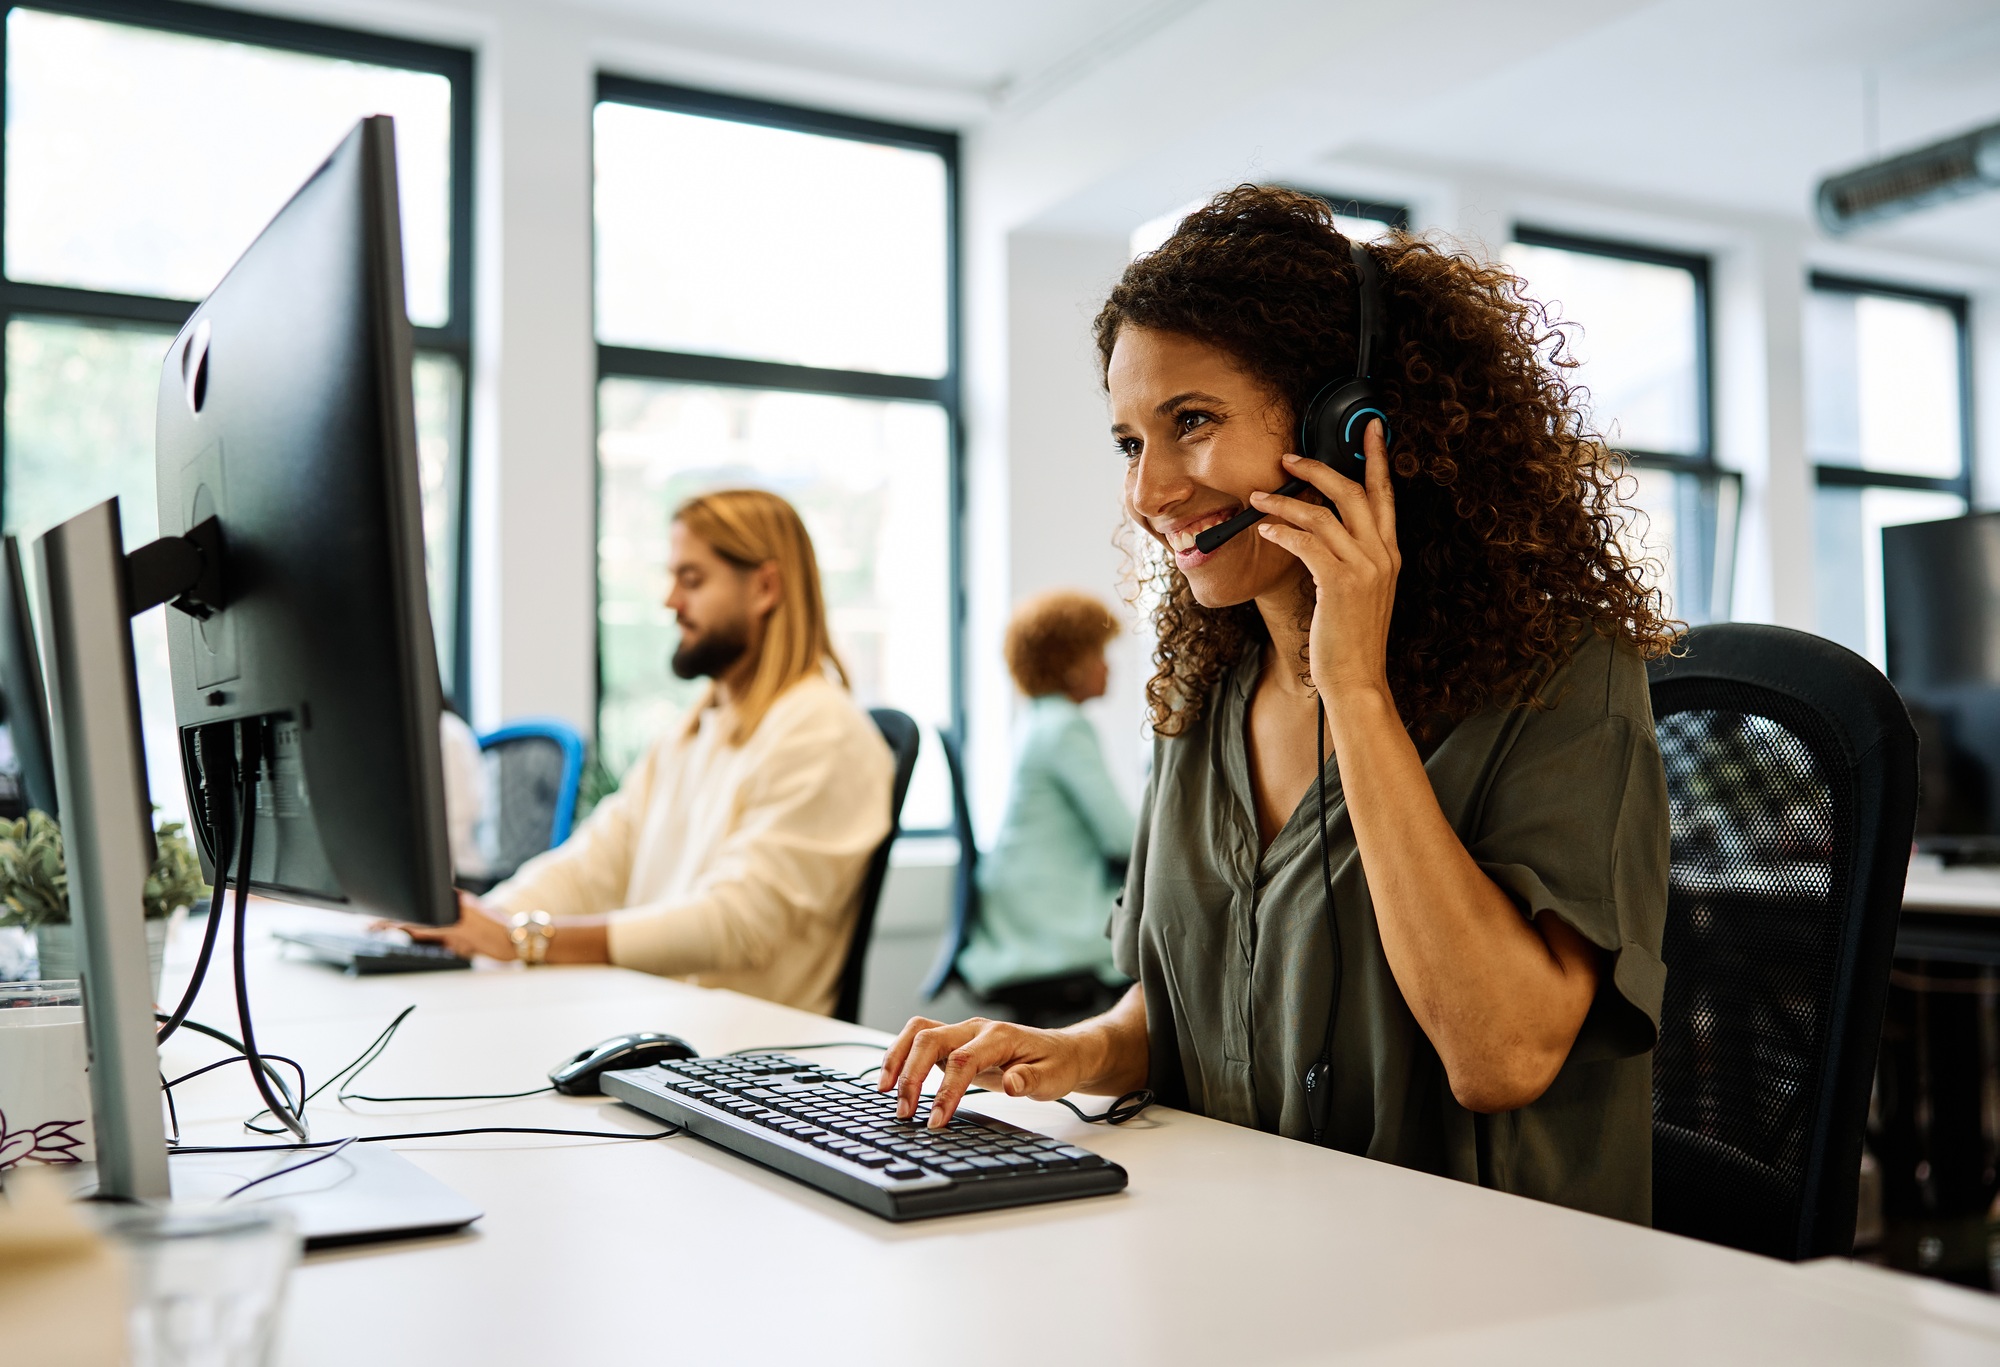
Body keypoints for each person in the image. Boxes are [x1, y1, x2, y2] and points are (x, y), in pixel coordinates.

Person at [880, 186, 1675, 1225]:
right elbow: (1206, 1009)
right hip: (1244, 1246)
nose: (1148, 489)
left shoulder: (1557, 676)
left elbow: (1501, 1054)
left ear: (1345, 428)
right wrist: (1077, 1050)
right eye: (1129, 442)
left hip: (1484, 1286)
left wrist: (1352, 685)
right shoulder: (1206, 687)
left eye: (1191, 423)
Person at [401, 489, 894, 1016]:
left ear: (766, 587)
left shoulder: (822, 730)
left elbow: (737, 921)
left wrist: (527, 940)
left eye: (692, 580)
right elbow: (593, 866)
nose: (670, 601)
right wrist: (471, 924)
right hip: (662, 1024)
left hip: (742, 1055)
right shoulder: (694, 730)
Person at [955, 590, 1133, 1024]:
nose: (1108, 666)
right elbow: (1125, 839)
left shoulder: (1035, 721)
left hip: (1014, 916)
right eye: (1097, 652)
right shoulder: (1066, 728)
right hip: (1052, 927)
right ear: (1070, 664)